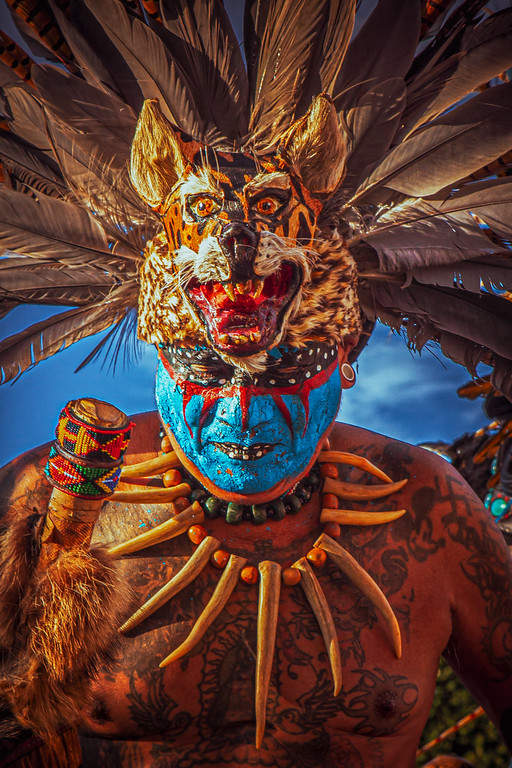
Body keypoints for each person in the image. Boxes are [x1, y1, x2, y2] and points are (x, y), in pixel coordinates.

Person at [0, 2, 512, 766]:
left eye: (287, 376)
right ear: (161, 353)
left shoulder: (431, 511)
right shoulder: (44, 500)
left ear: (345, 354)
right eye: (204, 374)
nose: (241, 410)